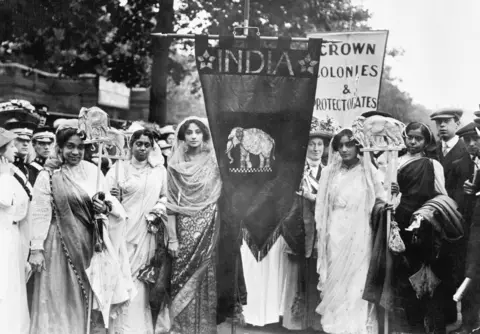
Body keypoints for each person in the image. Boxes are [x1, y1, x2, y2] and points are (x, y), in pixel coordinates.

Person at [28, 127, 134, 334]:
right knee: (58, 296)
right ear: (59, 148)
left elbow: (110, 203)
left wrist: (105, 208)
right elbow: (40, 211)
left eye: (80, 148)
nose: (76, 152)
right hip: (58, 244)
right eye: (70, 147)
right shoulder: (48, 175)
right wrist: (36, 248)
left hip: (88, 243)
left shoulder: (93, 171)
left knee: (86, 295)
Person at [389, 122, 462, 333]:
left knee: (425, 279)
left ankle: (431, 325)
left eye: (418, 138)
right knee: (401, 278)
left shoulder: (432, 165)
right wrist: (391, 188)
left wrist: (426, 214)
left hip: (422, 228)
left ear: (426, 142)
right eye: (409, 137)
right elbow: (386, 196)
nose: (412, 142)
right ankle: (408, 325)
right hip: (398, 225)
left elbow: (442, 197)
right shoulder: (396, 161)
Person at [315, 128, 386, 334]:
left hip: (360, 233)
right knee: (336, 280)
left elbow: (380, 201)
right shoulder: (329, 172)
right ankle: (336, 327)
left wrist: (390, 199)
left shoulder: (368, 171)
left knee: (357, 281)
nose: (345, 149)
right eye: (341, 146)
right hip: (335, 232)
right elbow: (321, 206)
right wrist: (323, 234)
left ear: (358, 147)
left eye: (349, 145)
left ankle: (356, 328)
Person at [155, 116, 222, 333]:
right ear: (182, 137)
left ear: (204, 135)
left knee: (205, 277)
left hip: (209, 225)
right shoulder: (174, 164)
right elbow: (172, 204)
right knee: (181, 276)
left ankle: (203, 329)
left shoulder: (215, 161)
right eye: (189, 132)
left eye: (198, 132)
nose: (193, 136)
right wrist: (173, 238)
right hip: (184, 227)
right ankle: (179, 329)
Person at [106, 129, 168, 334]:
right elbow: (104, 198)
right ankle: (119, 328)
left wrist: (157, 211)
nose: (142, 148)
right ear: (131, 145)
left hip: (147, 231)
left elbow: (166, 197)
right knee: (122, 275)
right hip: (122, 230)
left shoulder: (159, 170)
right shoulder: (118, 169)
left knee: (142, 279)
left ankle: (139, 328)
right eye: (138, 144)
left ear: (152, 147)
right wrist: (114, 197)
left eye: (146, 144)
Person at [281, 116, 336, 331]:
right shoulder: (295, 173)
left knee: (319, 275)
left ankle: (316, 321)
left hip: (322, 230)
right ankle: (296, 321)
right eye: (311, 144)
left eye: (319, 144)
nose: (315, 148)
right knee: (297, 276)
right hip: (297, 229)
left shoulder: (330, 172)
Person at [0, 127, 30, 334]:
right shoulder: (5, 176)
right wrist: (4, 176)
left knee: (13, 288)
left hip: (13, 235)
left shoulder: (11, 172)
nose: (15, 150)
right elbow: (6, 200)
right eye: (11, 146)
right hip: (3, 235)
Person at [431, 108, 467, 195]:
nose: (442, 125)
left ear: (457, 124)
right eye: (439, 122)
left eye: (447, 121)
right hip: (433, 203)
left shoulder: (466, 150)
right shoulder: (431, 149)